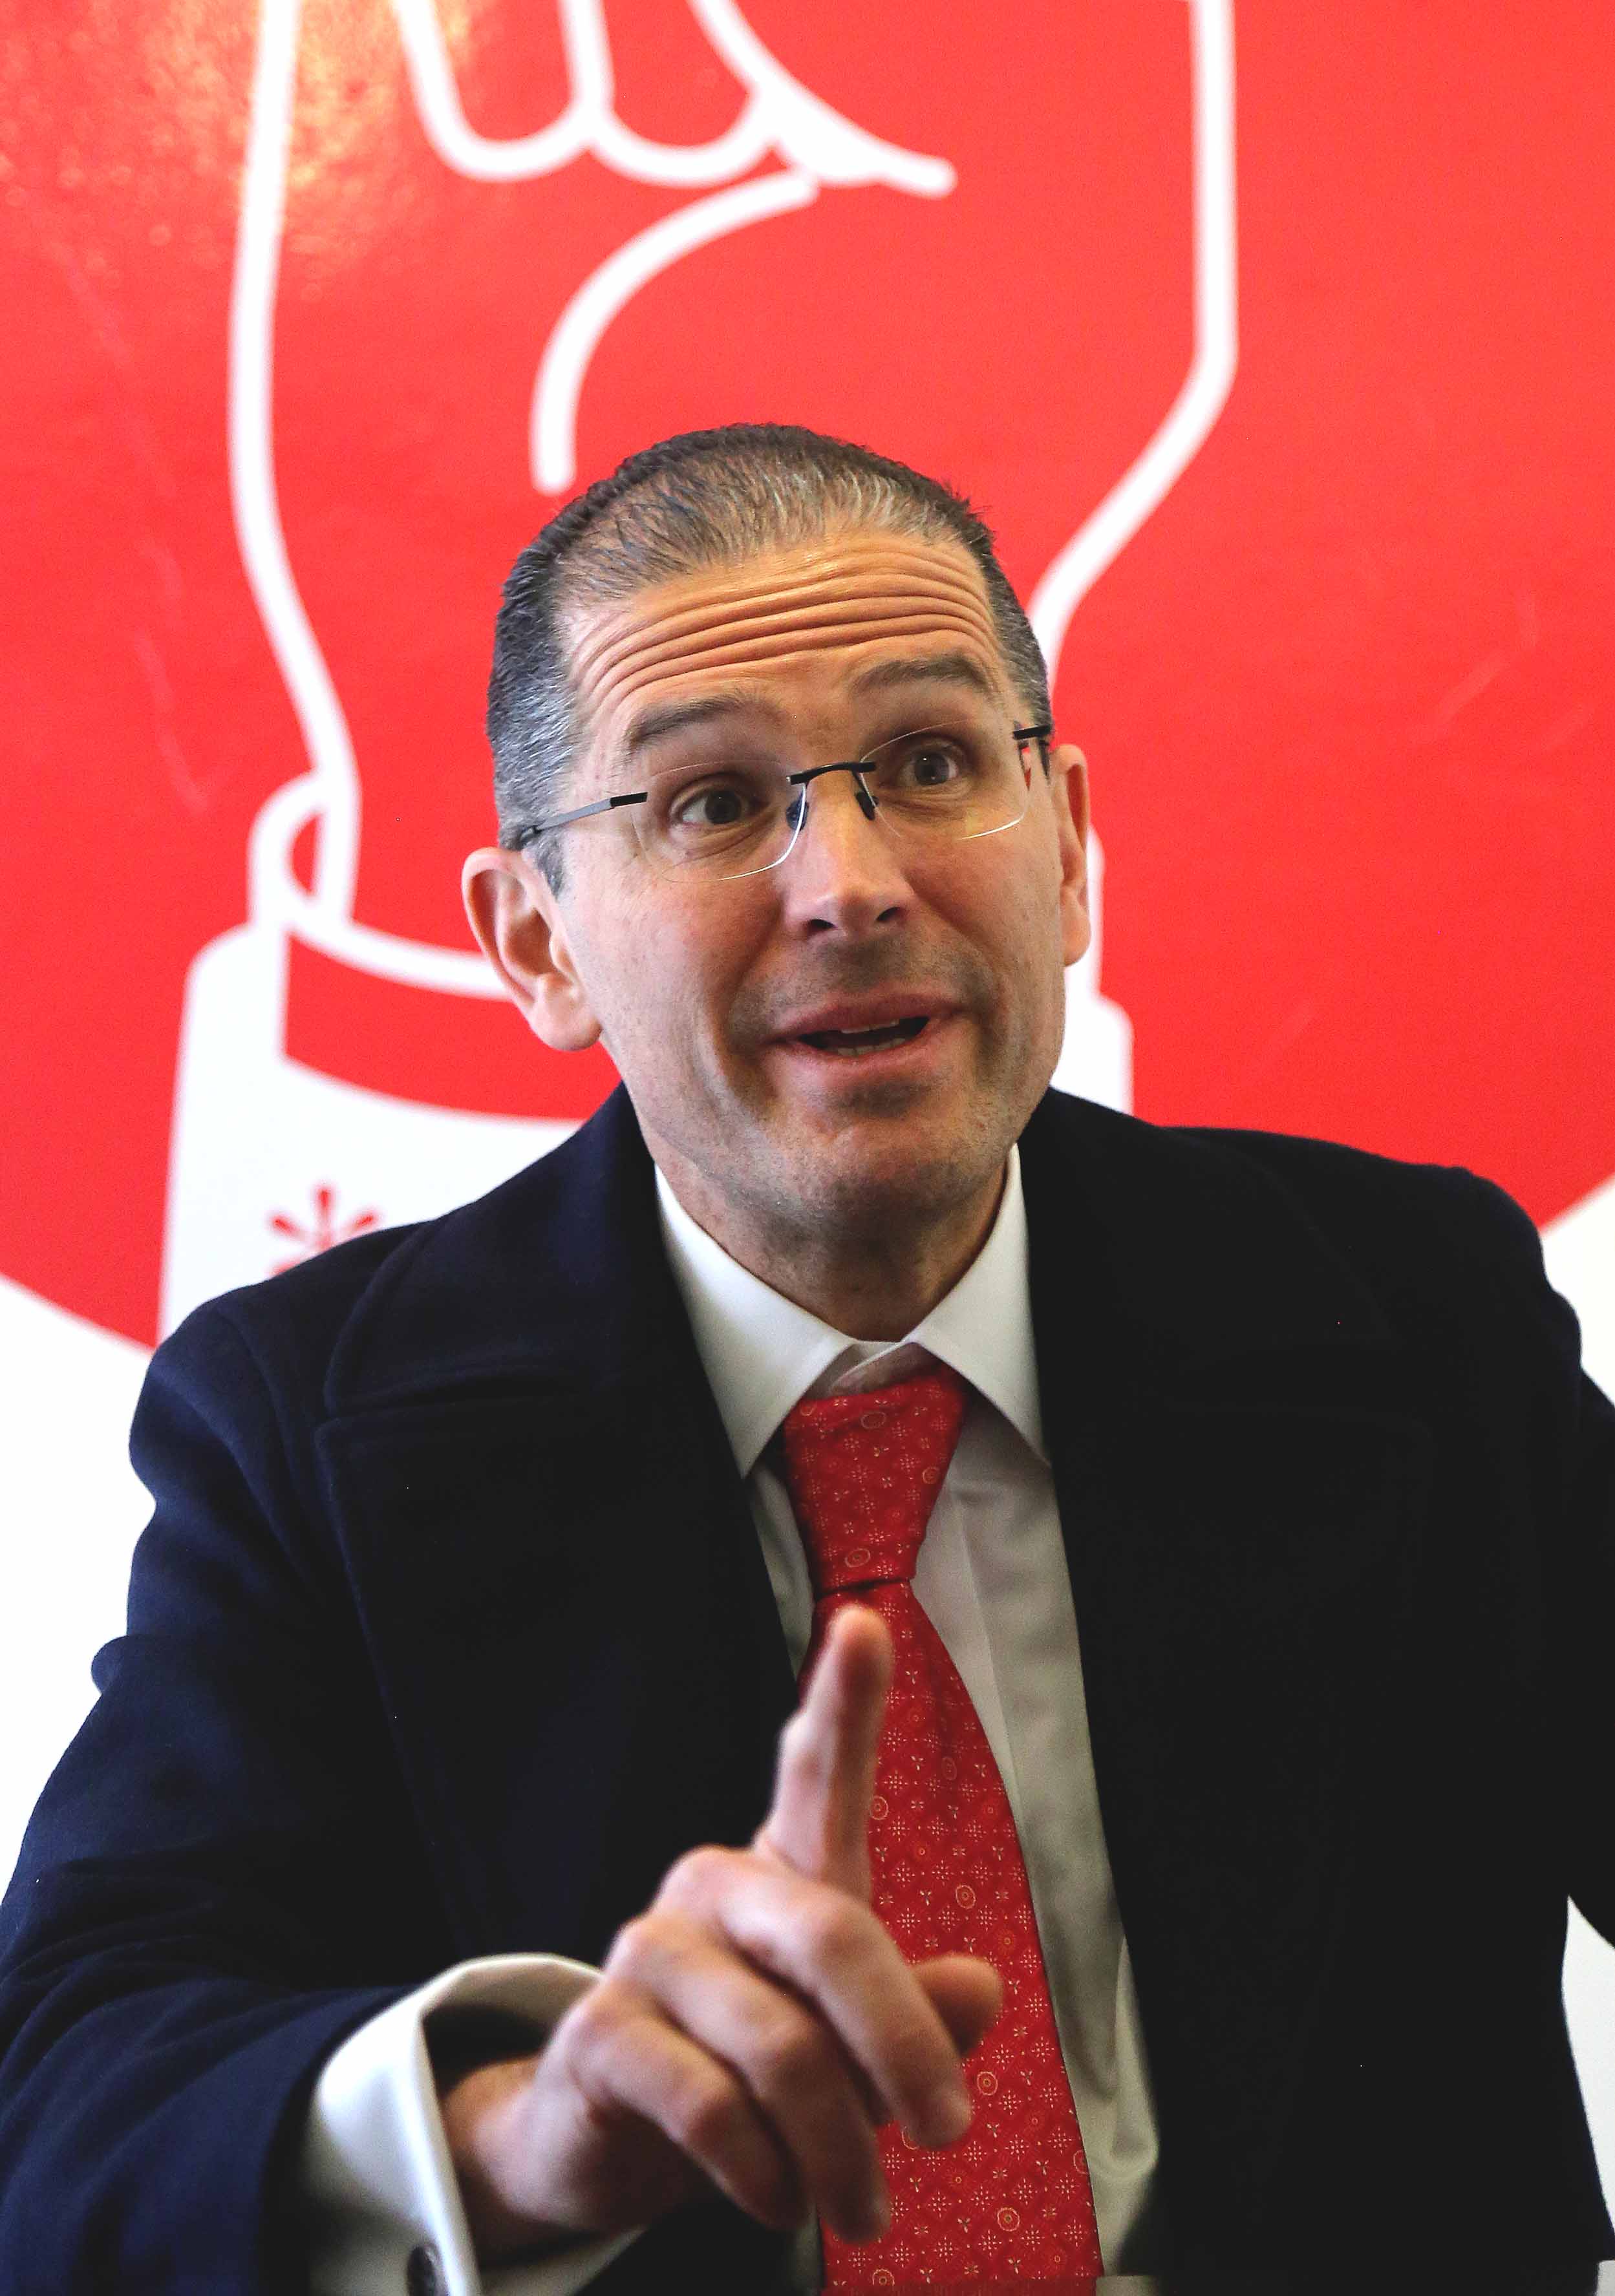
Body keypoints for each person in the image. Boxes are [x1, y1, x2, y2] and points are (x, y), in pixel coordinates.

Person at [1, 424, 1611, 2295]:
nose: (850, 882)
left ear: (1067, 845)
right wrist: (515, 2134)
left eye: (930, 764)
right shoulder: (310, 1423)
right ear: (536, 945)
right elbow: (68, 2106)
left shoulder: (1400, 1309)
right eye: (708, 802)